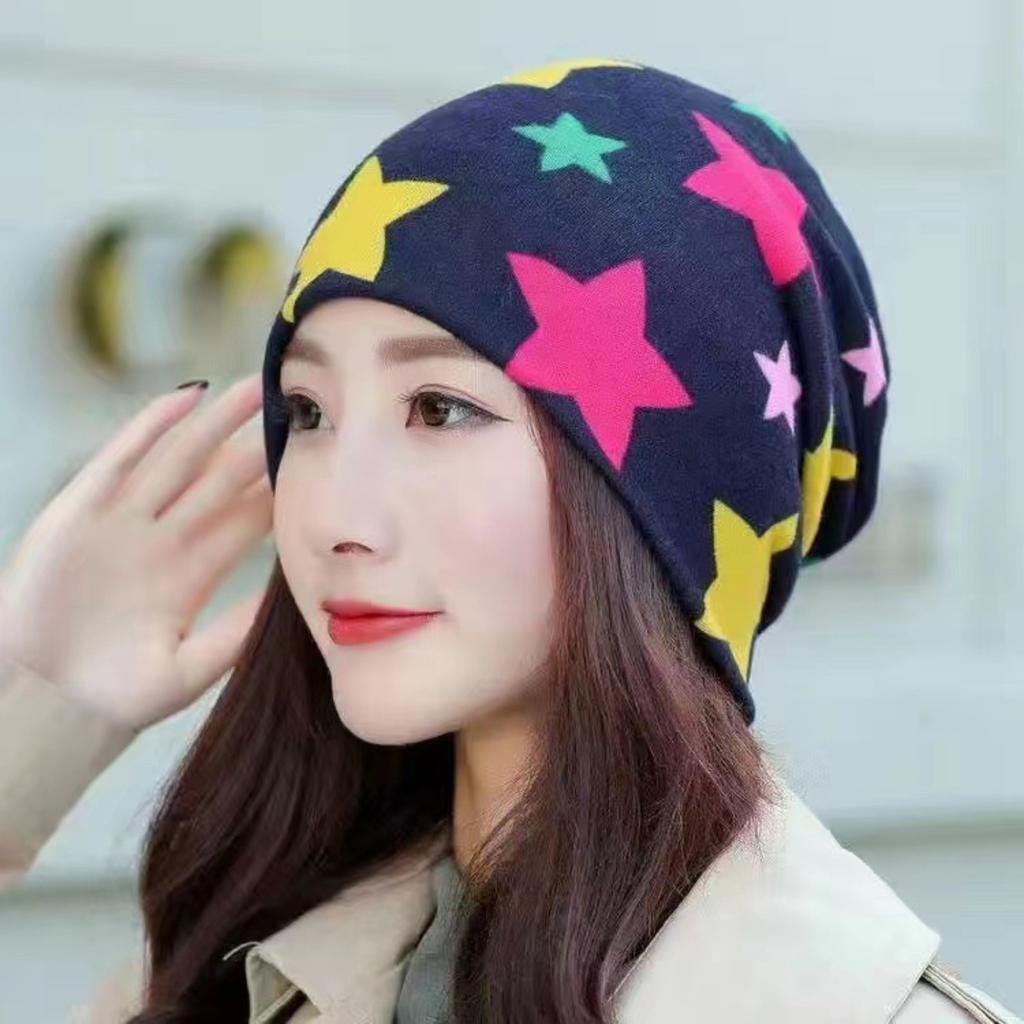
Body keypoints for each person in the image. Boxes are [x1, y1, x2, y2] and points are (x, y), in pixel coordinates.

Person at [0, 54, 1019, 1024]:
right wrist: (32, 719)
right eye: (307, 411)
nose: (336, 520)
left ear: (666, 495)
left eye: (438, 408)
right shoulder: (242, 975)